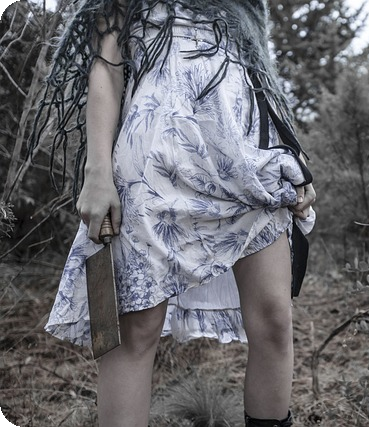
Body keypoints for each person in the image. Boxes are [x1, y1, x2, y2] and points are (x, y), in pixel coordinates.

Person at [28, 0, 316, 426]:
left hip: (248, 161)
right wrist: (97, 173)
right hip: (154, 160)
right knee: (135, 330)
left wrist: (293, 152)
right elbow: (107, 65)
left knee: (274, 319)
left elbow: (259, 67)